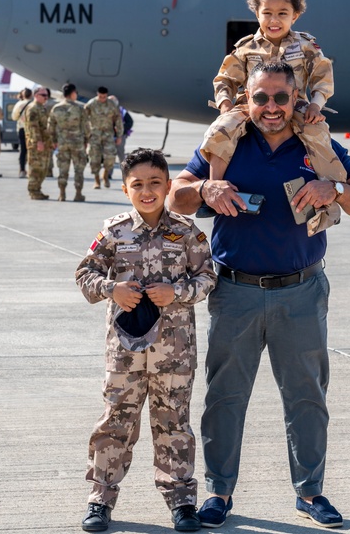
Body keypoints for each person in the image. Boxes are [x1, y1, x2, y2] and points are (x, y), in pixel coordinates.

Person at [167, 61, 350, 529]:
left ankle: (310, 493)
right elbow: (175, 196)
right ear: (246, 98)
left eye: (281, 97)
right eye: (260, 98)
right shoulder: (227, 143)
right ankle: (219, 492)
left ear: (295, 98)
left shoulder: (316, 142)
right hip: (235, 291)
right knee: (224, 396)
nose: (271, 107)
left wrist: (335, 188)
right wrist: (206, 186)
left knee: (306, 395)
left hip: (301, 292)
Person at [75, 148, 217, 533]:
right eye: (138, 184)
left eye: (155, 183)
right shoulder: (114, 231)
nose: (147, 190)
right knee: (116, 420)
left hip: (175, 350)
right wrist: (111, 289)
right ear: (126, 189)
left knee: (173, 421)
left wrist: (178, 292)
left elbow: (208, 277)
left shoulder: (187, 232)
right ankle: (100, 499)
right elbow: (84, 274)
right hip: (125, 351)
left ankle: (182, 501)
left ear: (169, 186)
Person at [204, 0, 346, 233]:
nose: (274, 20)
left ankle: (331, 197)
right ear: (256, 14)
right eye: (267, 13)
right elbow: (225, 78)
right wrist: (225, 105)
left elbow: (323, 77)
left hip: (296, 106)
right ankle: (215, 189)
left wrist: (316, 105)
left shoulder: (305, 46)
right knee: (220, 129)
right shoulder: (246, 48)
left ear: (296, 15)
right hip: (253, 107)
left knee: (319, 135)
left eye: (282, 13)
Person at [48, 83, 89, 202]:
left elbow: (50, 127)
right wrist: (86, 141)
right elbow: (86, 127)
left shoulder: (56, 108)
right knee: (78, 170)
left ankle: (62, 194)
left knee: (62, 169)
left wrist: (54, 141)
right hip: (77, 143)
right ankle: (78, 194)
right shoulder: (80, 108)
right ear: (72, 94)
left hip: (62, 143)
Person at [84, 86, 124, 189]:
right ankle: (97, 180)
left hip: (108, 135)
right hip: (94, 135)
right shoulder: (91, 104)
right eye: (100, 96)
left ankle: (105, 176)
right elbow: (83, 118)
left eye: (104, 97)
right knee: (94, 158)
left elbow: (118, 120)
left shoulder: (111, 105)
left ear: (107, 95)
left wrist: (119, 135)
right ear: (97, 94)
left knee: (110, 157)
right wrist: (86, 134)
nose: (102, 98)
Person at [23, 86, 53, 200]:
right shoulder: (33, 108)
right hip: (37, 144)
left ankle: (38, 189)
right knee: (35, 168)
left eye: (47, 95)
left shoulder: (42, 108)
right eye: (43, 95)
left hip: (45, 143)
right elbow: (33, 128)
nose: (46, 97)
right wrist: (38, 142)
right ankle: (33, 191)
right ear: (36, 95)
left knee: (43, 168)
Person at [11, 88, 34, 178]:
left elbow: (14, 117)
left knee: (23, 150)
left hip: (22, 129)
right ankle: (32, 170)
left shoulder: (19, 104)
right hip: (32, 129)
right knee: (32, 150)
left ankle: (22, 170)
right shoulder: (33, 104)